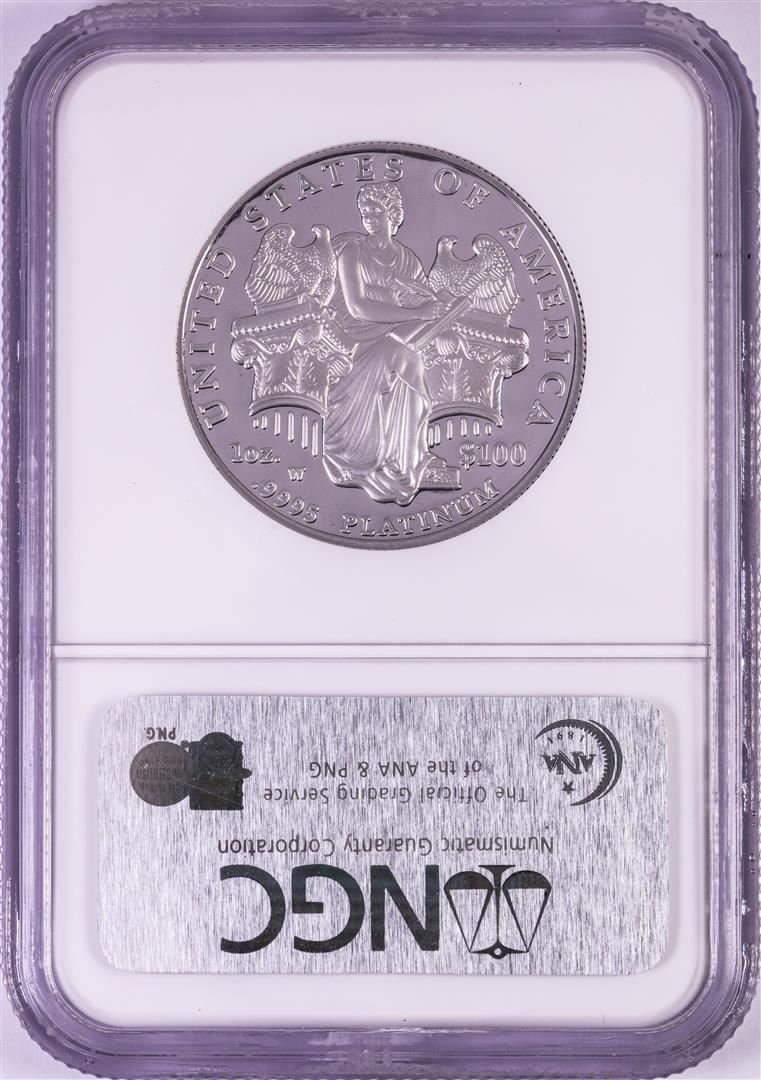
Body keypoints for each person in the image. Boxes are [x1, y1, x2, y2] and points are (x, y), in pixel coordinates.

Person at [323, 182, 447, 505]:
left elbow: (422, 302)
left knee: (409, 359)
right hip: (354, 342)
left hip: (398, 339)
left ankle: (403, 460)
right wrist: (416, 312)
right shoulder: (352, 252)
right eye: (364, 212)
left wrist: (437, 309)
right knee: (403, 358)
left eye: (376, 211)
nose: (369, 218)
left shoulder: (408, 261)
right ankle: (370, 457)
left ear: (394, 215)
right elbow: (357, 307)